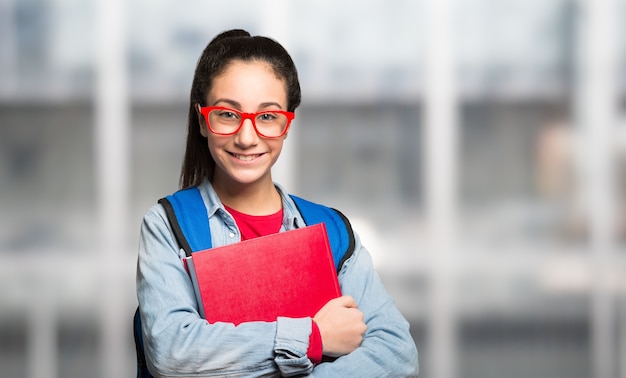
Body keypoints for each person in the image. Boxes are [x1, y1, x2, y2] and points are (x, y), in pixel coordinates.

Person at [136, 28, 419, 377]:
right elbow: (172, 353)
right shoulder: (168, 226)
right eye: (228, 114)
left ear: (287, 125)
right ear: (202, 120)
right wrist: (314, 338)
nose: (246, 137)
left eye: (267, 117)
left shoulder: (332, 232)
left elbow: (396, 353)